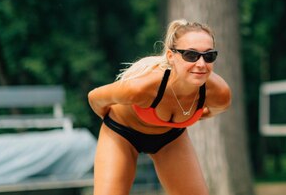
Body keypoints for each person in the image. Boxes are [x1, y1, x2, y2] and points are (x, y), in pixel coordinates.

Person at [88, 19, 231, 195]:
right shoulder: (141, 88)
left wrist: (187, 115)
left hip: (170, 138)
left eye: (209, 56)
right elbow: (94, 97)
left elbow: (211, 111)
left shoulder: (219, 93)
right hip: (122, 133)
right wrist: (109, 122)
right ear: (171, 56)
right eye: (190, 55)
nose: (201, 64)